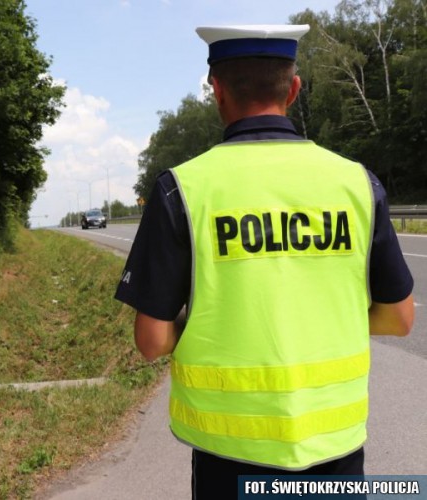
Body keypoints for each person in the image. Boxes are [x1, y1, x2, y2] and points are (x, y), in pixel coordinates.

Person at [115, 25, 414, 499]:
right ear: (293, 89)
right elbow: (399, 318)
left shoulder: (182, 189)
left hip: (229, 458)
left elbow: (151, 341)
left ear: (217, 90)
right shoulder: (357, 183)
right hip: (334, 453)